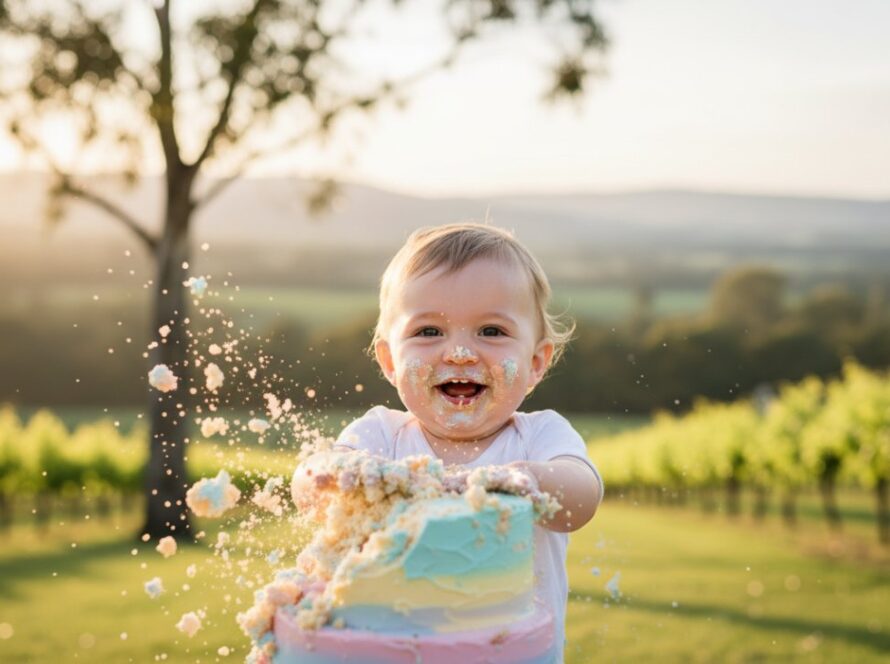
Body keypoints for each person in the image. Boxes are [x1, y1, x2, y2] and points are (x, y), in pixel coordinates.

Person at [335, 222, 603, 662]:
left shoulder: (539, 438)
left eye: (491, 332)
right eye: (428, 332)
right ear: (388, 360)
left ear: (535, 362)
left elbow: (582, 497)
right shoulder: (379, 437)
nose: (459, 353)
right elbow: (314, 483)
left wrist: (530, 481)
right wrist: (337, 476)